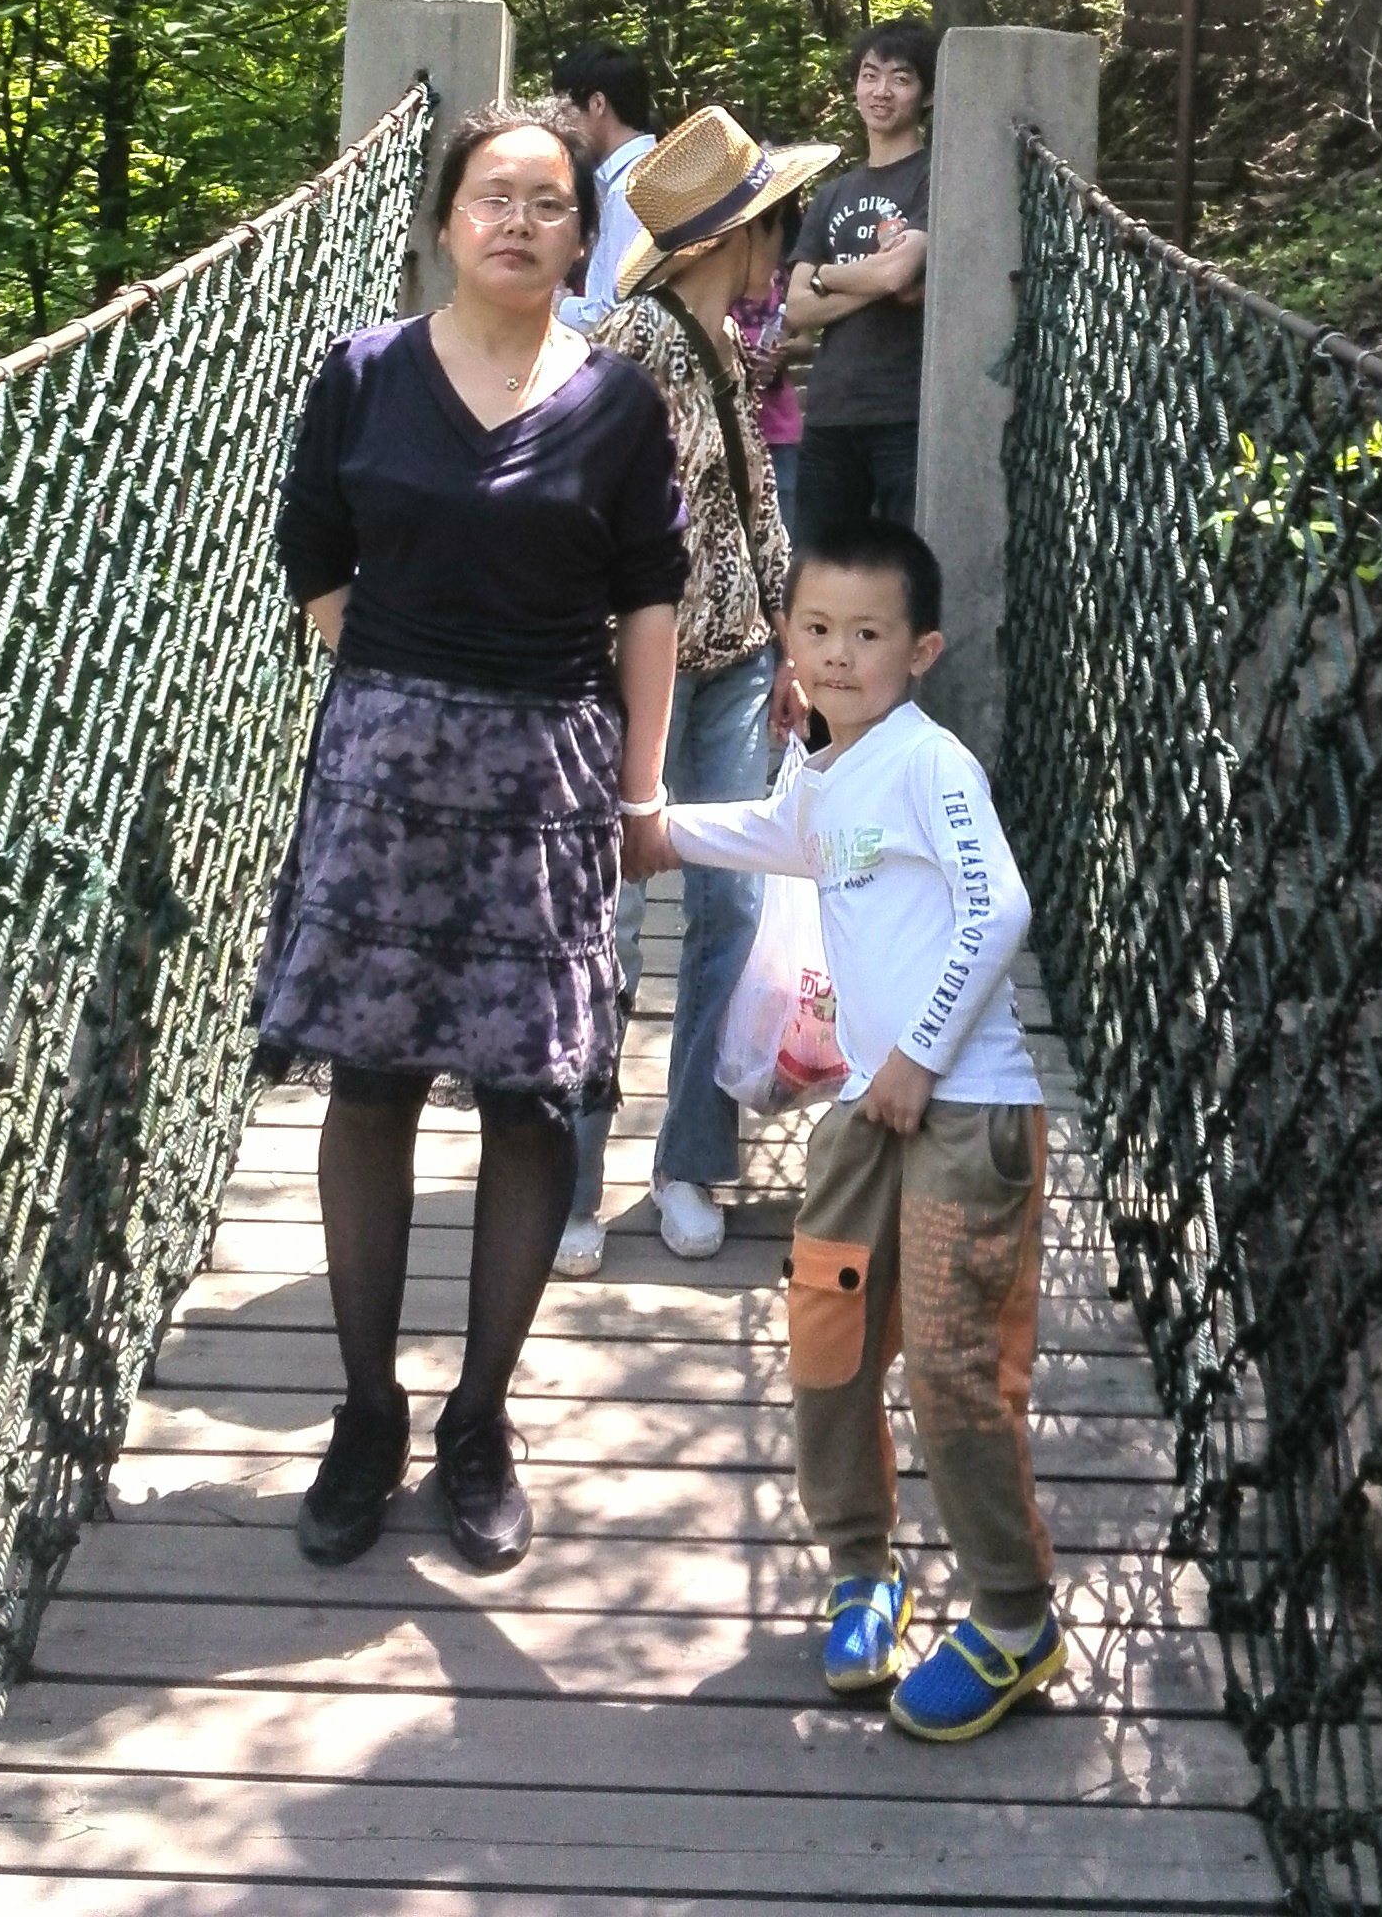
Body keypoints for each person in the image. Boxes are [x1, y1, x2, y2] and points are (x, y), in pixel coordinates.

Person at [256, 98, 685, 1576]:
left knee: (530, 1097)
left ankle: (480, 1421)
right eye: (492, 196)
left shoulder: (620, 403)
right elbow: (315, 553)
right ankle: (367, 1413)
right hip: (385, 772)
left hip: (552, 772)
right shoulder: (364, 372)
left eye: (548, 203)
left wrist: (640, 791)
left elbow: (650, 599)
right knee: (371, 1083)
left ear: (581, 238)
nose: (517, 221)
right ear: (444, 221)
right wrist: (404, 687)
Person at [626, 518, 1063, 1741]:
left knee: (951, 1367)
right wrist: (656, 828)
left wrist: (920, 1054)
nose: (836, 654)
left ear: (919, 651)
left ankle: (1014, 1622)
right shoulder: (824, 774)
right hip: (870, 1110)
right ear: (787, 638)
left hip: (962, 1107)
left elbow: (997, 909)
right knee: (829, 1337)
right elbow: (781, 839)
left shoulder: (931, 764)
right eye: (815, 629)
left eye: (867, 635)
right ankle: (863, 1569)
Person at [554, 107, 836, 1274]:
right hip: (629, 676)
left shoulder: (721, 339)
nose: (787, 243)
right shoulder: (632, 349)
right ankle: (571, 1184)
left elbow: (754, 508)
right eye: (777, 223)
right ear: (735, 236)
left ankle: (687, 1161)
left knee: (729, 910)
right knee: (603, 922)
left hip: (732, 669)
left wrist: (788, 649)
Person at [785, 20, 936, 532]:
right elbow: (797, 308)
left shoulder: (935, 177)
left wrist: (827, 275)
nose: (881, 91)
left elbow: (895, 273)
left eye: (901, 78)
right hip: (830, 413)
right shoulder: (832, 194)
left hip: (905, 412)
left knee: (906, 565)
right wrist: (875, 280)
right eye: (870, 75)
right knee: (819, 563)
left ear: (927, 94)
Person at [550, 43, 655, 329]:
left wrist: (558, 305)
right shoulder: (649, 171)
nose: (561, 128)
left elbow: (615, 315)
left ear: (597, 104)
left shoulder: (627, 189)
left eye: (566, 113)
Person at [729, 190, 807, 539]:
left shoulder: (780, 281)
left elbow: (803, 337)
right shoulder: (724, 285)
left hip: (780, 427)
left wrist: (781, 350)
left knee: (784, 528)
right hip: (735, 426)